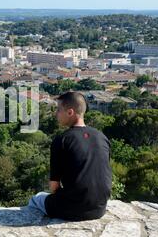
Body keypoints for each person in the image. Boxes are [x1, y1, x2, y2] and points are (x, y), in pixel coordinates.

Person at [28, 92, 112, 221]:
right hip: (99, 208)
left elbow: (54, 187)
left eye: (58, 109)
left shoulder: (62, 140)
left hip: (72, 209)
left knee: (36, 198)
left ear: (70, 112)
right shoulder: (102, 137)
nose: (56, 114)